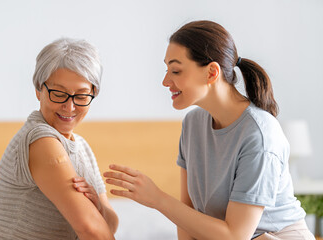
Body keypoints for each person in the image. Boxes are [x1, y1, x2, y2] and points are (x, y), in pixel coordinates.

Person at [103, 20, 315, 240]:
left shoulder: (259, 135)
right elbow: (188, 215)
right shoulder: (192, 124)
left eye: (175, 70)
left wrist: (158, 199)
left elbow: (235, 235)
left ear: (212, 73)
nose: (166, 81)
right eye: (167, 70)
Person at [0, 38, 117, 240]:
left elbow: (109, 224)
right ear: (38, 89)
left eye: (81, 96)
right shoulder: (41, 139)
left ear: (93, 93)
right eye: (58, 94)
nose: (69, 107)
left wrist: (96, 205)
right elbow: (91, 229)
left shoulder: (81, 147)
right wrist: (94, 218)